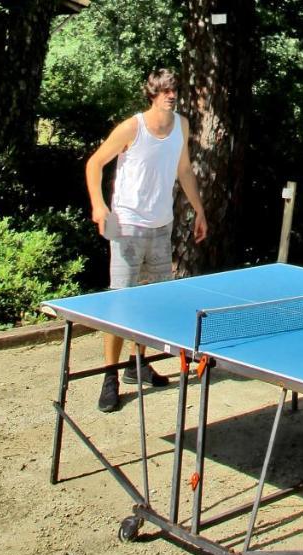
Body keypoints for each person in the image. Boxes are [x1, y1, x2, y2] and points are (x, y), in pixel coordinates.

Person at [85, 68, 208, 412]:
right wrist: (98, 205)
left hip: (161, 225)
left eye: (174, 90)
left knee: (152, 302)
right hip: (127, 225)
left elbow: (183, 169)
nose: (171, 95)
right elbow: (95, 164)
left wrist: (199, 210)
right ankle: (109, 376)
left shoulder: (181, 125)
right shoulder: (132, 128)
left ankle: (136, 365)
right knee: (121, 303)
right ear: (152, 94)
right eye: (165, 91)